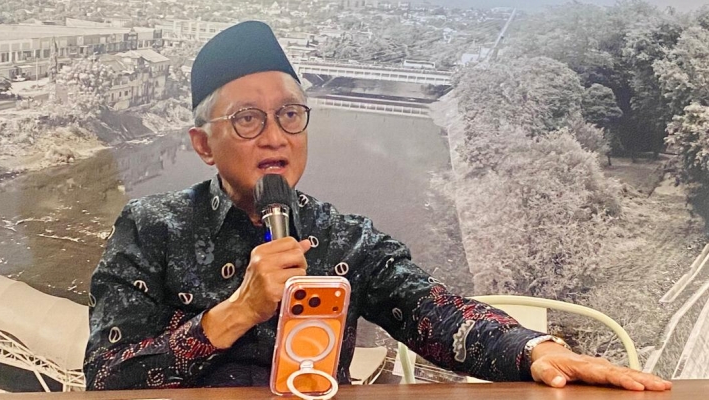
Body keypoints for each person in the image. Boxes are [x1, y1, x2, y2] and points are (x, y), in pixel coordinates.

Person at [84, 21, 670, 392]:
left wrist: (536, 349)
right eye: (247, 119)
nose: (275, 136)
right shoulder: (151, 228)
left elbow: (434, 313)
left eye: (289, 114)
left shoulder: (346, 239)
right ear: (203, 144)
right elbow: (107, 378)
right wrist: (237, 311)